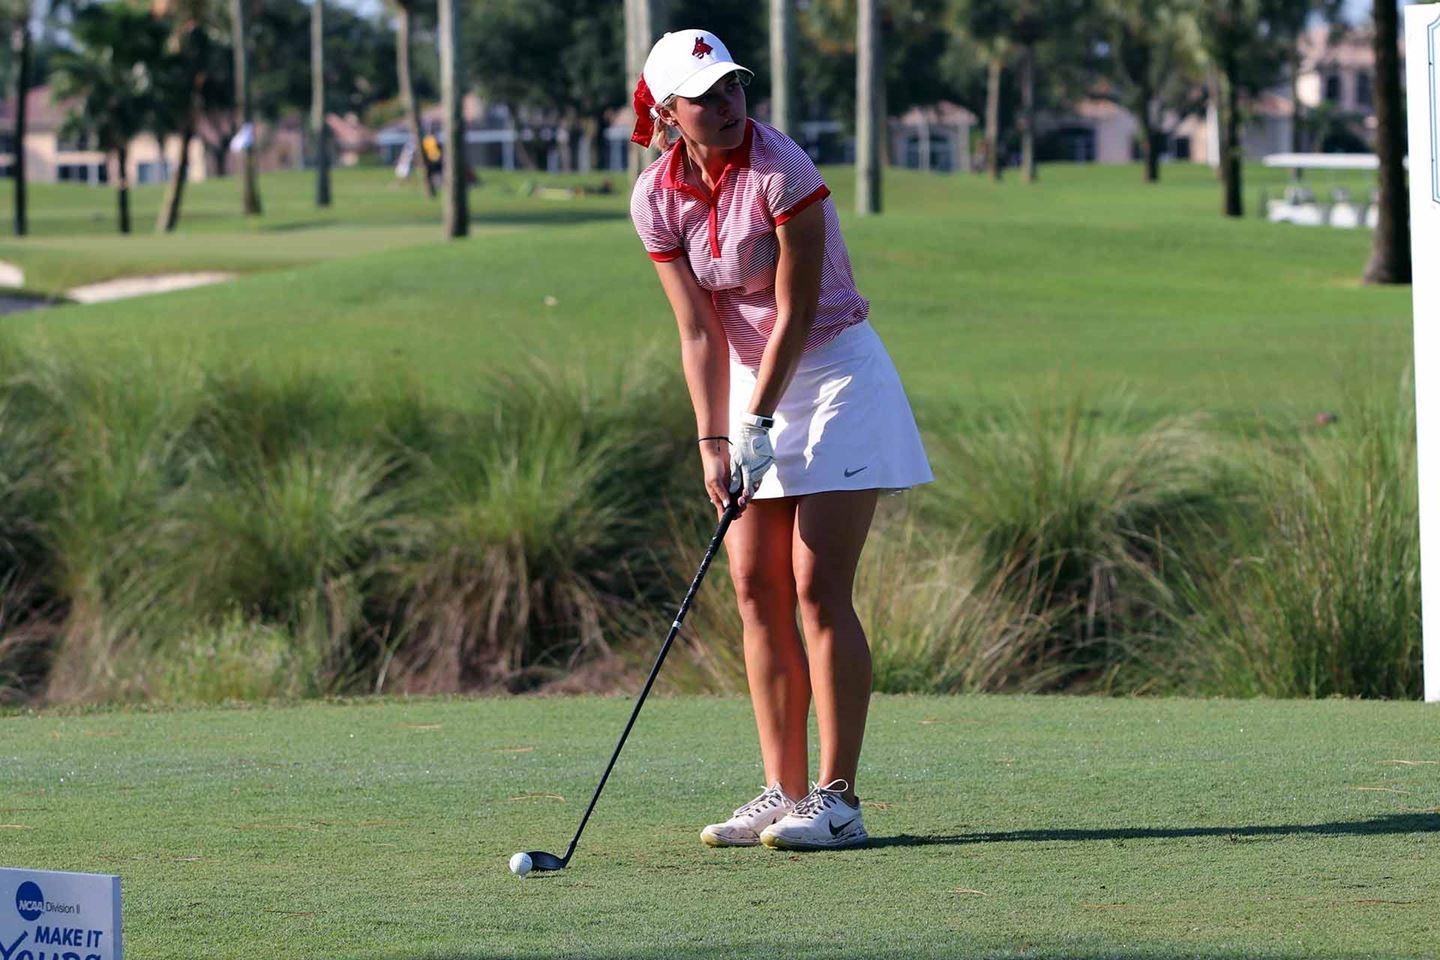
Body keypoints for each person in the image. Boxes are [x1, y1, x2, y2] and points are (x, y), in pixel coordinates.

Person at [629, 29, 932, 851]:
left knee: (815, 583)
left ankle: (837, 800)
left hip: (833, 373)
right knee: (753, 582)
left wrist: (756, 419)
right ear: (668, 112)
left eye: (733, 87)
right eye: (706, 96)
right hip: (746, 378)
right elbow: (697, 333)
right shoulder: (656, 196)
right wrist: (713, 440)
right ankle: (782, 788)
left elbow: (796, 311)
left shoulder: (783, 170)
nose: (727, 105)